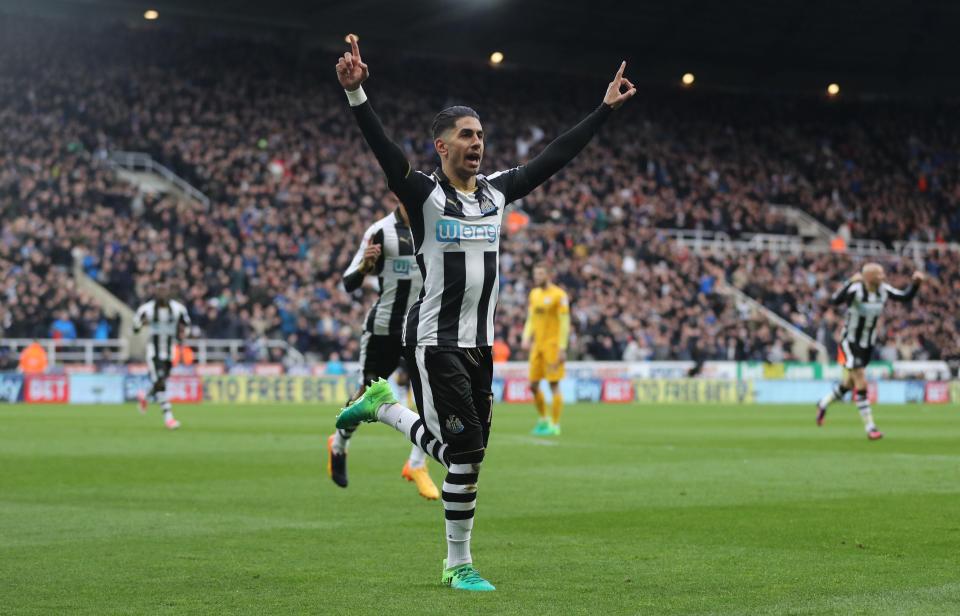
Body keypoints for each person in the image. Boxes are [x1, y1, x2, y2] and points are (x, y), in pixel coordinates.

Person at [332, 36, 635, 591]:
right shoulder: (423, 194)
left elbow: (554, 158)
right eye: (466, 136)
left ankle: (384, 410)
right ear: (441, 146)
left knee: (467, 459)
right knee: (464, 450)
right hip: (435, 341)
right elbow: (384, 152)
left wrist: (604, 110)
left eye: (481, 135)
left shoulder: (495, 194)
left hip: (481, 345)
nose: (478, 143)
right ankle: (457, 563)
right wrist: (357, 94)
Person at [328, 205, 439, 500]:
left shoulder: (434, 226)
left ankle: (417, 464)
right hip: (383, 330)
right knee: (366, 393)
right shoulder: (380, 231)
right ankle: (339, 444)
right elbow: (349, 282)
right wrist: (366, 266)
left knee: (434, 396)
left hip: (419, 329)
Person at [816, 263, 924, 439]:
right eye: (878, 274)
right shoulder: (856, 289)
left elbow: (904, 297)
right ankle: (870, 427)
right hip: (850, 342)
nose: (882, 276)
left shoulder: (883, 290)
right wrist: (849, 281)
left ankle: (823, 403)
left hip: (867, 344)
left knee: (849, 384)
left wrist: (916, 284)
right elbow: (834, 301)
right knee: (860, 379)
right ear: (868, 277)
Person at [133, 282, 191, 430]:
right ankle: (169, 418)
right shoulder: (147, 309)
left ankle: (144, 395)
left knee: (161, 380)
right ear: (155, 293)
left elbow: (187, 326)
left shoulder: (178, 309)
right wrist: (141, 324)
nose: (162, 294)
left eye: (164, 291)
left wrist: (182, 334)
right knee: (161, 382)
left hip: (171, 351)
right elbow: (135, 327)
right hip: (154, 352)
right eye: (159, 291)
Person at [522, 264, 570, 435]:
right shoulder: (534, 294)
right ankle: (544, 419)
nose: (537, 276)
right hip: (537, 346)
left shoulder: (559, 295)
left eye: (541, 273)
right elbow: (531, 318)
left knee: (553, 384)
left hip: (553, 346)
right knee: (533, 385)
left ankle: (555, 425)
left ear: (549, 275)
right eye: (535, 273)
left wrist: (563, 347)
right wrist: (526, 336)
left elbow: (564, 322)